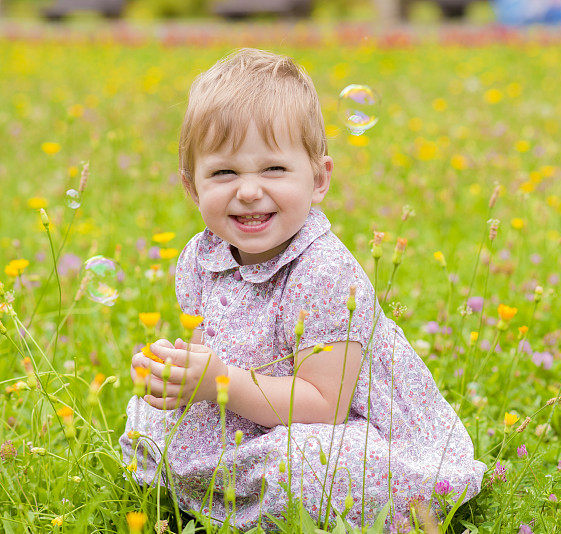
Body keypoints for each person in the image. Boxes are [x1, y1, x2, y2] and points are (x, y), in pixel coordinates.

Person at [118, 48, 486, 531]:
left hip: (341, 426)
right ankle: (238, 489)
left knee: (314, 464)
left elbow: (325, 405)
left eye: (273, 169)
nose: (248, 191)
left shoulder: (324, 272)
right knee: (148, 422)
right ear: (192, 187)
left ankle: (262, 496)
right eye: (224, 172)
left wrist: (221, 383)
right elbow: (212, 351)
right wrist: (182, 373)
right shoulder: (202, 257)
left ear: (318, 179)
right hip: (252, 409)